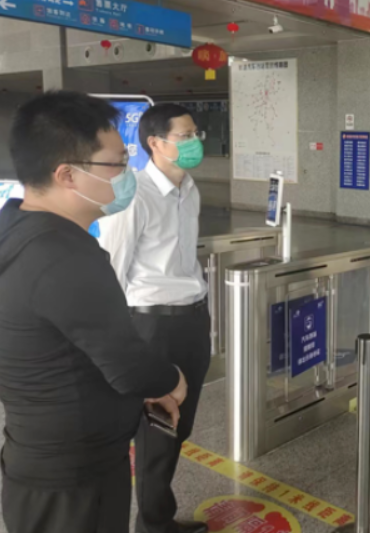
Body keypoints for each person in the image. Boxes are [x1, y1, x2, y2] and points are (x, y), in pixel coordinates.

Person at [0, 91, 187, 533]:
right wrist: (171, 381)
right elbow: (127, 365)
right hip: (76, 481)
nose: (127, 174)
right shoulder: (64, 257)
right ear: (67, 174)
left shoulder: (17, 229)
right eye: (117, 163)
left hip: (37, 461)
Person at [98, 103, 210, 533]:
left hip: (193, 320)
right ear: (155, 143)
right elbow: (112, 270)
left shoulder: (190, 190)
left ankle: (157, 516)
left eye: (196, 134)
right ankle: (152, 525)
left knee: (181, 426)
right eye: (185, 136)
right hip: (154, 326)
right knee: (158, 430)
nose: (194, 142)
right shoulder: (133, 196)